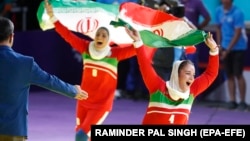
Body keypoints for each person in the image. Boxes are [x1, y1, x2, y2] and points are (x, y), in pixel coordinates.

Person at [44, 0, 136, 140]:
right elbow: (68, 35)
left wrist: (143, 38)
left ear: (109, 40)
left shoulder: (115, 54)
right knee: (83, 135)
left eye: (104, 35)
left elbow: (137, 48)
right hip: (83, 101)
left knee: (81, 136)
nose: (100, 37)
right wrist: (53, 18)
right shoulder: (86, 47)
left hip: (101, 105)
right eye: (98, 34)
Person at [0, 16, 88, 141]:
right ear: (11, 37)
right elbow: (50, 81)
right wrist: (73, 91)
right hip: (13, 130)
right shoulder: (25, 63)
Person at [125, 26, 219, 124]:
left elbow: (211, 74)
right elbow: (144, 65)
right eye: (188, 73)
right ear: (176, 74)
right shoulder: (158, 88)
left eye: (193, 74)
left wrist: (214, 50)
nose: (192, 78)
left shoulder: (192, 91)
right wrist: (138, 42)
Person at [215, 0, 248, 110]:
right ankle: (232, 100)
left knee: (238, 74)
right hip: (224, 45)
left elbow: (238, 33)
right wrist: (219, 45)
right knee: (229, 75)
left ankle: (242, 101)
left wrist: (227, 50)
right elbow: (218, 28)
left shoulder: (238, 13)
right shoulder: (218, 11)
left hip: (238, 47)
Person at [180, 0, 211, 77]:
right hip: (178, 40)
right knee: (179, 65)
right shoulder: (177, 2)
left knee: (191, 65)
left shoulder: (197, 2)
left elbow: (207, 17)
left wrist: (198, 29)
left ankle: (195, 87)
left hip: (192, 40)